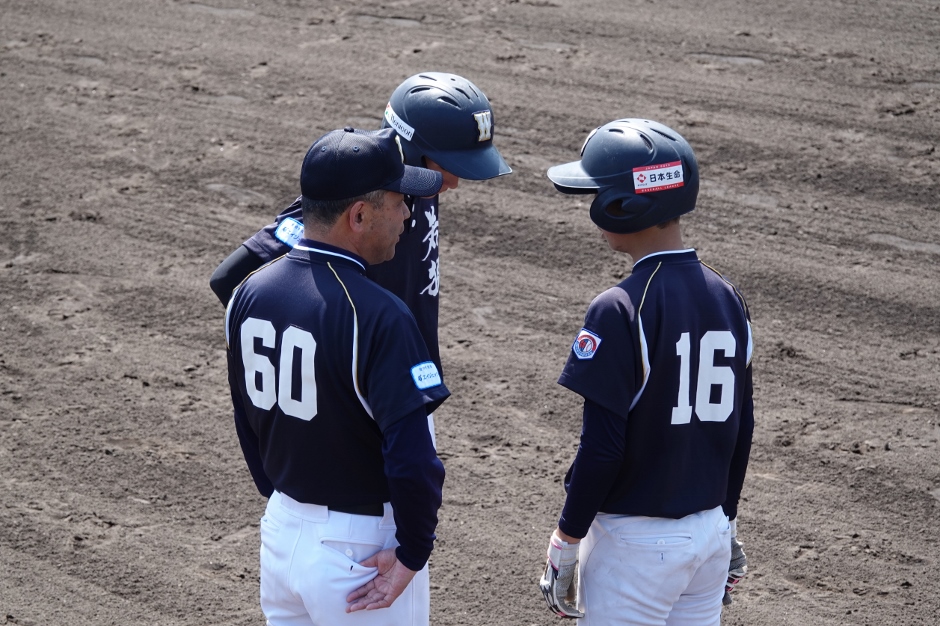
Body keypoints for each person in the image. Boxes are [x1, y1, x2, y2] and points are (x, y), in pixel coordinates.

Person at [224, 126, 450, 625]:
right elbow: (414, 459)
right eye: (399, 203)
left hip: (281, 536)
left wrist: (289, 502)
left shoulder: (248, 294)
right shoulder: (380, 315)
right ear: (360, 215)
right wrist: (413, 552)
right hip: (359, 559)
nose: (408, 215)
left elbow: (246, 419)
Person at [537, 119, 754, 625]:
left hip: (636, 546)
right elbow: (741, 428)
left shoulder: (620, 307)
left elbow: (602, 448)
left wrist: (567, 537)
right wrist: (727, 518)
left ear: (623, 205)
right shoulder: (729, 297)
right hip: (709, 534)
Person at [211, 72, 510, 414]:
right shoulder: (349, 198)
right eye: (450, 165)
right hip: (364, 403)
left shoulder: (423, 187)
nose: (455, 182)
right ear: (412, 151)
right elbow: (229, 279)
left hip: (408, 389)